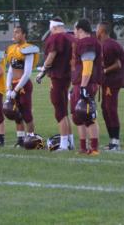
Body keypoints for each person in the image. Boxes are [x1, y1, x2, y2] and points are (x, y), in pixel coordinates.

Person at [39, 18, 74, 151]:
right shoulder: (72, 38)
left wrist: (42, 70)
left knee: (60, 112)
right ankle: (70, 142)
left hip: (57, 77)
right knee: (64, 111)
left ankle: (64, 144)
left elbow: (51, 56)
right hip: (68, 77)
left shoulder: (56, 37)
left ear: (53, 27)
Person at [71, 19, 102, 155]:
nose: (74, 32)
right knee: (78, 115)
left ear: (80, 29)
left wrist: (83, 87)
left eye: (75, 29)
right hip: (80, 83)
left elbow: (88, 65)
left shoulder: (87, 42)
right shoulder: (84, 42)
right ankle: (83, 147)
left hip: (87, 83)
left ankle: (94, 148)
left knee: (88, 115)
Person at [5, 26, 39, 147]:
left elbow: (27, 72)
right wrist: (8, 87)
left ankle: (31, 139)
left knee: (26, 114)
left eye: (18, 32)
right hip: (14, 85)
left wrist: (16, 88)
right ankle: (20, 139)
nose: (15, 34)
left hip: (23, 85)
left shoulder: (28, 49)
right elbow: (10, 69)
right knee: (16, 114)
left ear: (24, 34)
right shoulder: (12, 49)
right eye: (14, 32)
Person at [96, 21, 124, 151]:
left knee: (110, 109)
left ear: (101, 31)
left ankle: (115, 142)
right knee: (105, 109)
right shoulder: (104, 44)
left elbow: (118, 64)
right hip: (107, 82)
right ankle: (112, 140)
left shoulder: (110, 45)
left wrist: (105, 71)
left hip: (112, 82)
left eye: (97, 29)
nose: (95, 31)